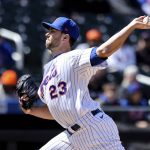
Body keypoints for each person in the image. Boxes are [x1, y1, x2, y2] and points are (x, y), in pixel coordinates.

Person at [19, 16, 150, 150]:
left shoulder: (74, 57)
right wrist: (31, 110)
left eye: (53, 31)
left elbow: (104, 51)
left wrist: (131, 26)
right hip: (71, 134)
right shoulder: (47, 71)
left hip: (94, 128)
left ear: (65, 37)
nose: (47, 33)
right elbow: (56, 111)